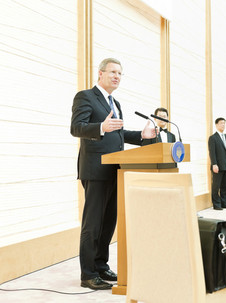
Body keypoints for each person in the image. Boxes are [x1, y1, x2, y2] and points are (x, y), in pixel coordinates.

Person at [70, 58, 157, 290]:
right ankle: (88, 274)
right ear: (100, 74)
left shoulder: (114, 102)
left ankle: (100, 265)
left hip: (115, 170)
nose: (117, 76)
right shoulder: (85, 96)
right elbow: (76, 128)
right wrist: (100, 127)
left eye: (120, 73)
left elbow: (118, 134)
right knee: (93, 224)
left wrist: (143, 136)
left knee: (108, 222)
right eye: (113, 72)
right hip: (96, 169)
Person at [208, 117, 226, 210]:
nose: (223, 125)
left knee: (225, 185)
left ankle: (224, 202)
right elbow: (212, 152)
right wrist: (214, 164)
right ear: (216, 125)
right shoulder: (213, 138)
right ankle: (216, 204)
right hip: (217, 166)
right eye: (221, 123)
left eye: (224, 123)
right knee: (216, 186)